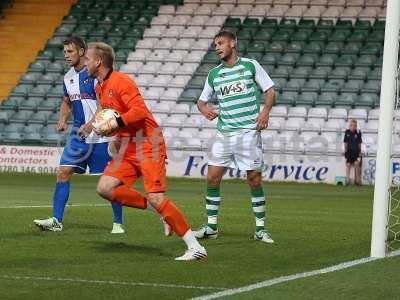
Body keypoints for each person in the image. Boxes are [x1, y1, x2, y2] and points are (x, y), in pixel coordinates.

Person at [84, 42, 207, 261]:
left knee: (157, 197)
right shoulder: (98, 86)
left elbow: (139, 112)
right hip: (128, 146)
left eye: (87, 59)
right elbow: (108, 114)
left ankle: (195, 247)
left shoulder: (122, 81)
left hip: (148, 143)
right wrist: (106, 130)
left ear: (98, 61)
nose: (84, 63)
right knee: (105, 188)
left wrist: (115, 123)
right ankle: (160, 213)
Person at [33, 37, 124, 234]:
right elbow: (67, 101)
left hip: (101, 136)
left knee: (108, 182)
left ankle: (118, 223)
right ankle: (57, 220)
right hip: (78, 135)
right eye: (65, 52)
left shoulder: (94, 74)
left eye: (70, 51)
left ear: (82, 52)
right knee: (63, 172)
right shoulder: (67, 77)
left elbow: (104, 104)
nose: (66, 55)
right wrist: (62, 119)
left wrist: (91, 124)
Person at [193, 30, 276, 243]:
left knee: (254, 179)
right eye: (215, 45)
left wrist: (264, 112)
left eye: (221, 43)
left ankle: (260, 229)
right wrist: (205, 110)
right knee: (212, 177)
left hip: (248, 132)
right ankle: (211, 227)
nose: (218, 48)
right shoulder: (214, 74)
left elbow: (269, 90)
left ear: (233, 43)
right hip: (224, 134)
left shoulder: (250, 65)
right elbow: (201, 101)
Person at [344, 119, 363, 185]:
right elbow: (345, 142)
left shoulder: (358, 132)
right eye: (351, 125)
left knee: (357, 164)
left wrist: (360, 151)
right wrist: (345, 150)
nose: (353, 127)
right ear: (349, 126)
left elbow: (359, 143)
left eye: (354, 125)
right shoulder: (347, 132)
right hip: (349, 151)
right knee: (348, 165)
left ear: (356, 126)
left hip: (356, 151)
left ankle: (357, 180)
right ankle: (347, 180)